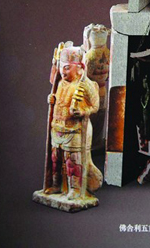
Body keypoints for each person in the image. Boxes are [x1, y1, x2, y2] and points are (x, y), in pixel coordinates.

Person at [45, 45, 102, 200]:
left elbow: (95, 106)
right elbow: (58, 98)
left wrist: (82, 112)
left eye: (67, 68)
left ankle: (75, 189)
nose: (63, 72)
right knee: (55, 159)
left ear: (79, 67)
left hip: (74, 130)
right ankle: (56, 185)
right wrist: (52, 99)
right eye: (62, 67)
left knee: (73, 162)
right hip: (57, 127)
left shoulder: (85, 84)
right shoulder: (60, 82)